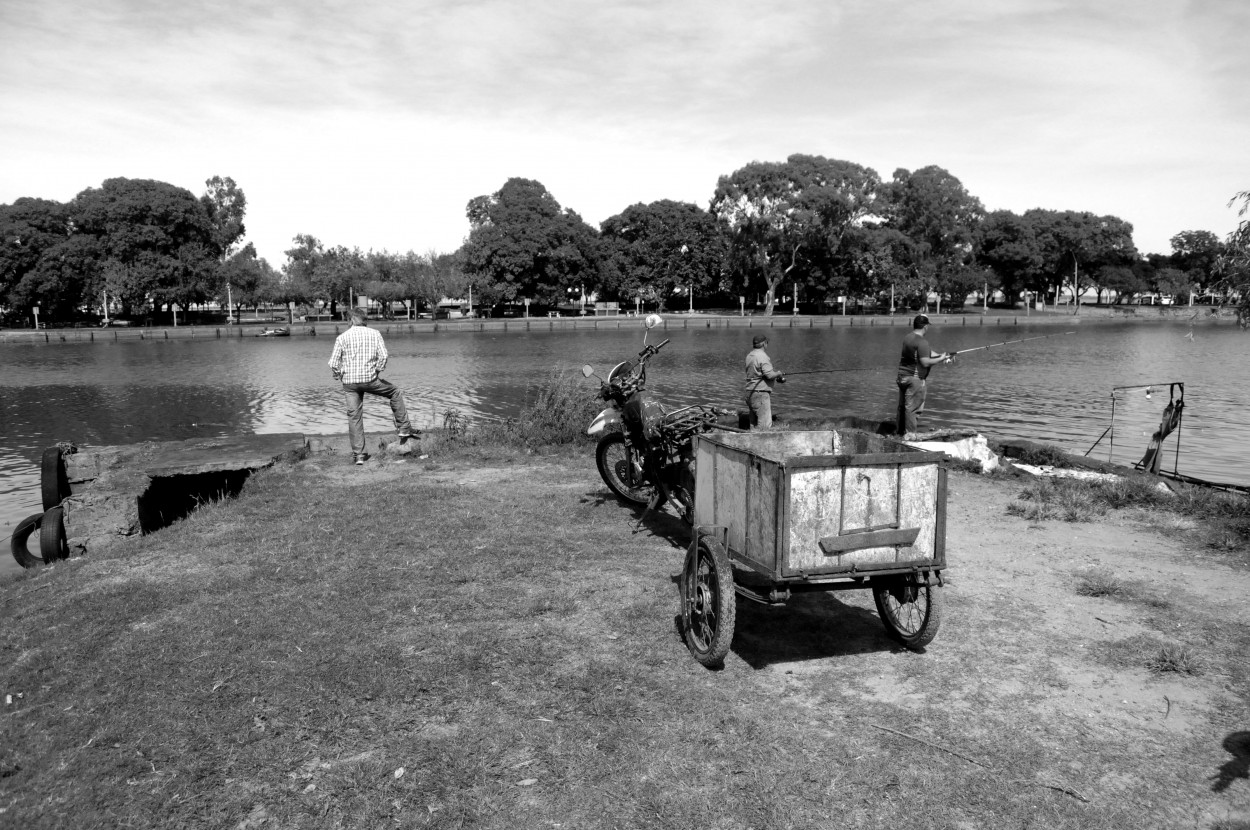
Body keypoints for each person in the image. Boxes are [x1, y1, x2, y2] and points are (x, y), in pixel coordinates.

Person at [328, 309, 417, 465]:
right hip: (370, 380)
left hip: (349, 383)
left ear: (351, 320)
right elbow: (383, 356)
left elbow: (334, 363)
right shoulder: (375, 334)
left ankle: (359, 455)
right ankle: (403, 428)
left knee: (354, 417)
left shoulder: (342, 337)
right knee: (395, 392)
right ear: (364, 320)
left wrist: (339, 374)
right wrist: (376, 370)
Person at [895, 313, 951, 438]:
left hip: (902, 377)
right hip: (914, 380)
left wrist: (942, 357)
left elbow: (928, 353)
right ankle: (910, 437)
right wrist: (940, 359)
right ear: (925, 327)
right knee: (913, 409)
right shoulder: (922, 341)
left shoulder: (908, 338)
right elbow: (925, 362)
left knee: (903, 407)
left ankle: (899, 433)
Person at [744, 334, 785, 429]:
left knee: (753, 425)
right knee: (764, 427)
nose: (767, 345)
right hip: (760, 394)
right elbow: (770, 375)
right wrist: (778, 373)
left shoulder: (750, 355)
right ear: (764, 344)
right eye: (767, 343)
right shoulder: (762, 356)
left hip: (750, 393)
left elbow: (757, 374)